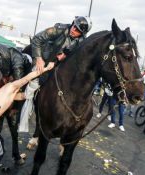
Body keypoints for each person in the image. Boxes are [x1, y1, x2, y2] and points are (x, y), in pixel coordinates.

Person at [22, 16, 92, 147]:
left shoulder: (81, 41)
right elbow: (37, 39)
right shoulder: (59, 29)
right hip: (43, 59)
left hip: (58, 65)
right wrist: (38, 58)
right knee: (32, 83)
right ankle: (23, 102)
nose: (74, 31)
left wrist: (65, 55)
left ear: (82, 34)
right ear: (73, 23)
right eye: (74, 27)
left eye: (78, 31)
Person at [0, 64, 53, 175]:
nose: (23, 85)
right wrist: (46, 69)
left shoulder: (12, 93)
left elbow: (24, 96)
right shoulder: (10, 86)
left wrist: (36, 85)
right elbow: (27, 78)